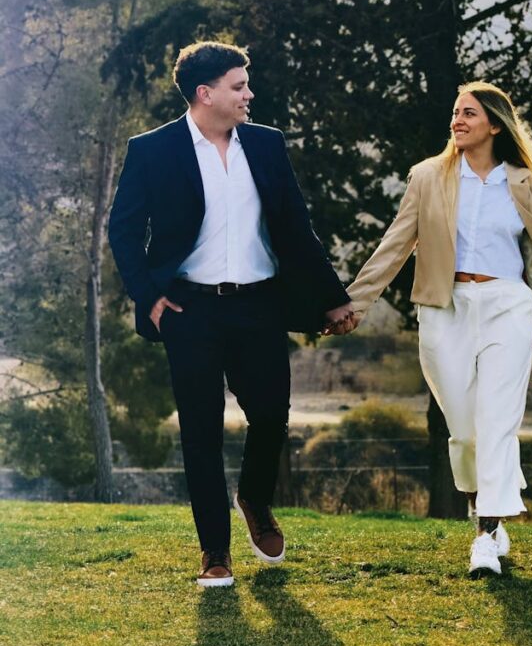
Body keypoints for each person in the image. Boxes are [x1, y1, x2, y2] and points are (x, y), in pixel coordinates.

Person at [108, 41, 355, 587]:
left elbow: (296, 227)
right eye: (239, 86)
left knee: (270, 415)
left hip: (259, 304)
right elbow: (122, 231)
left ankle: (254, 499)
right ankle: (214, 554)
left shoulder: (267, 145)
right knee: (200, 432)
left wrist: (333, 296)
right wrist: (148, 296)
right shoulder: (152, 150)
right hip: (188, 309)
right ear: (206, 93)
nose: (250, 94)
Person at [347, 81, 532, 576]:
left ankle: (483, 535)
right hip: (445, 307)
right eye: (455, 112)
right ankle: (493, 515)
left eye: (469, 114)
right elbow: (395, 246)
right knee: (464, 429)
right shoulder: (428, 178)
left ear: (495, 125)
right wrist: (353, 305)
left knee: (498, 420)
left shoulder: (527, 184)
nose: (457, 120)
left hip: (507, 304)